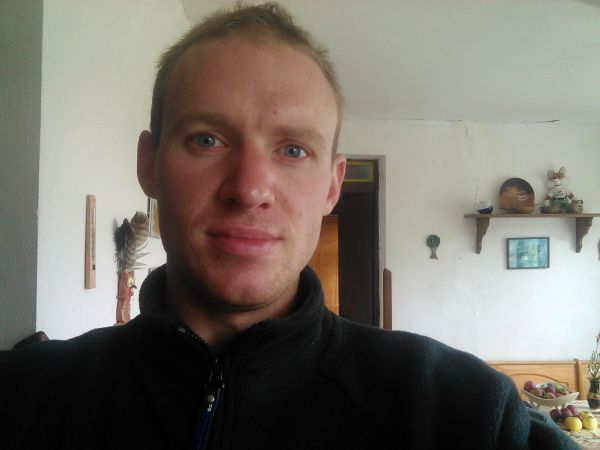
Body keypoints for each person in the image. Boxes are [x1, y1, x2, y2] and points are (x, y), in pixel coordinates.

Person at [0, 3, 578, 449]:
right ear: (149, 165)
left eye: (294, 150)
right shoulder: (22, 399)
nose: (250, 188)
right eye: (207, 139)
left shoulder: (458, 411)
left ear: (332, 185)